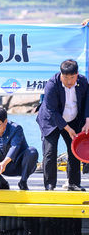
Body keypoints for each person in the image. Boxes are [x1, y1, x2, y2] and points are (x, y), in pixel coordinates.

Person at [36, 59, 89, 191]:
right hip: (51, 121)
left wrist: (87, 120)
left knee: (73, 150)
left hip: (73, 119)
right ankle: (49, 185)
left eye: (72, 77)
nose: (69, 81)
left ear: (77, 74)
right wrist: (67, 128)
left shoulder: (82, 81)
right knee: (50, 152)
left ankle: (74, 183)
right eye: (66, 77)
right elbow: (52, 111)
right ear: (61, 74)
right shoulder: (52, 84)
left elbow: (87, 101)